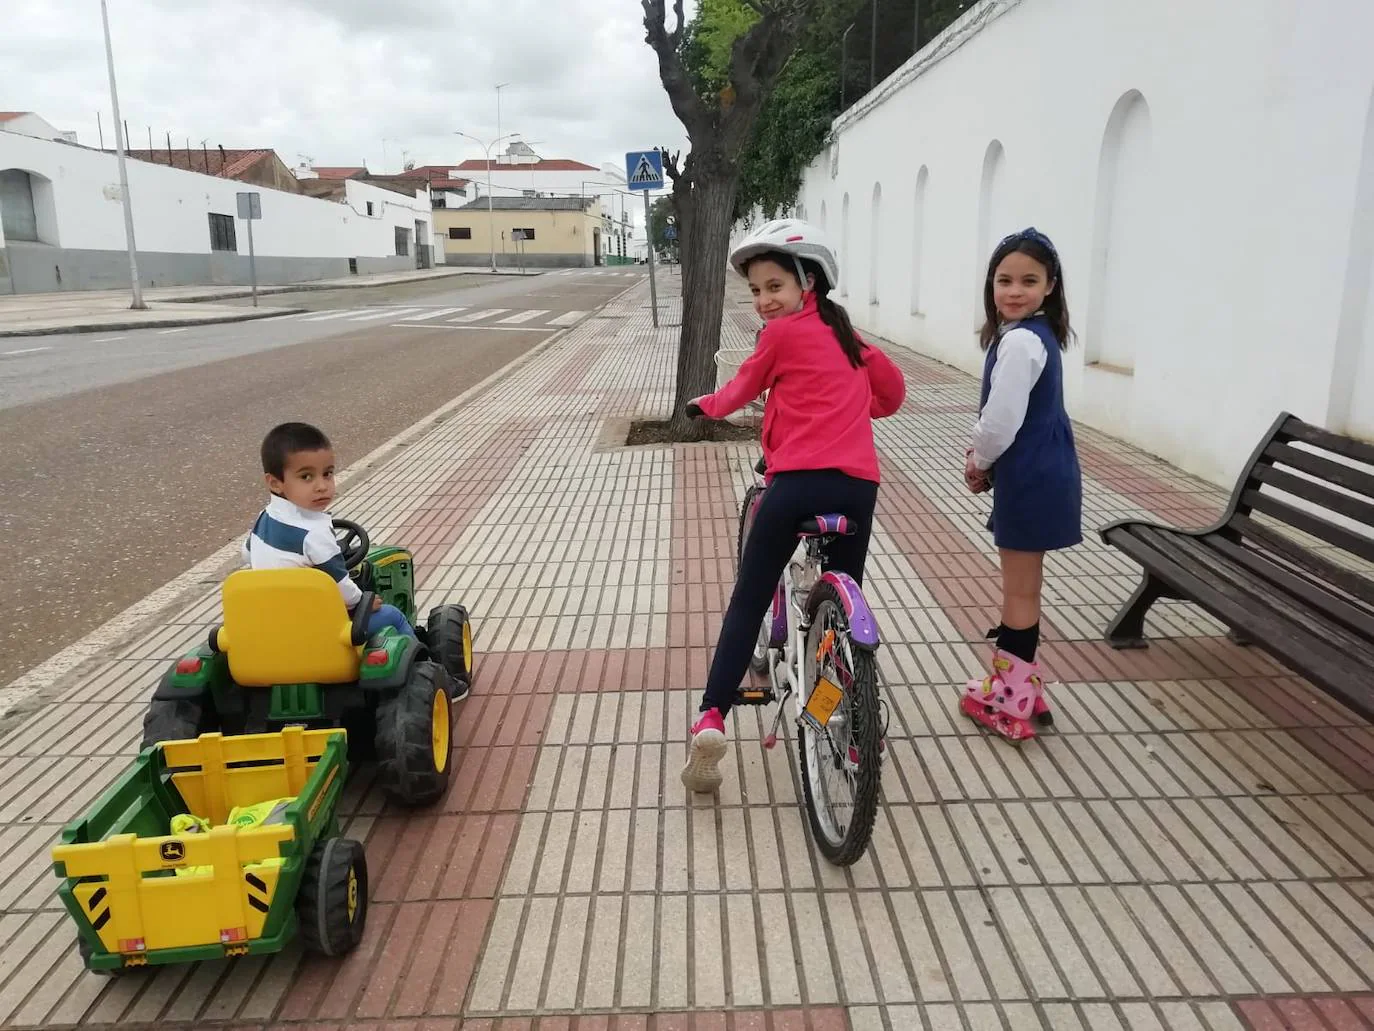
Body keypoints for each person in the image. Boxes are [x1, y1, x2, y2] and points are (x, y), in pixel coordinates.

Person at [680, 218, 907, 793]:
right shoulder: (855, 341)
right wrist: (853, 411)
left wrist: (704, 407)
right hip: (858, 488)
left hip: (796, 485)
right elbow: (893, 394)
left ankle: (711, 716)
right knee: (838, 612)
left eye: (774, 286)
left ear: (809, 282)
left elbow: (740, 389)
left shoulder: (779, 338)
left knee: (749, 598)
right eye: (756, 290)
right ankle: (848, 716)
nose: (763, 301)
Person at [961, 227, 1082, 742]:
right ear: (991, 284)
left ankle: (1010, 696)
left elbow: (1000, 419)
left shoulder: (1019, 343)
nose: (1014, 290)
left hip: (1028, 475)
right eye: (1004, 279)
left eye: (1028, 280)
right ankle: (1022, 680)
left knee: (1019, 591)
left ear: (1050, 285)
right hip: (1050, 470)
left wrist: (978, 460)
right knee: (1026, 588)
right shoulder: (1041, 337)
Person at [245, 422, 415, 639]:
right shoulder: (315, 533)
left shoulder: (264, 518)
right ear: (276, 483)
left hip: (272, 622)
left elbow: (247, 554)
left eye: (327, 474)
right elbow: (340, 584)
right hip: (318, 627)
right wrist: (363, 601)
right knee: (392, 615)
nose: (322, 486)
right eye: (306, 477)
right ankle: (428, 664)